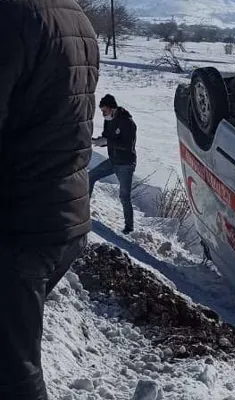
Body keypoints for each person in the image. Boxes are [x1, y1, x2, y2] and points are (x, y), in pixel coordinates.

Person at [0, 0, 99, 398]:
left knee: (12, 373)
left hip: (19, 225)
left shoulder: (12, 16)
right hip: (63, 216)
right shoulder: (77, 17)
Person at [89, 94, 138, 234]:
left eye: (105, 110)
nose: (103, 114)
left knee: (124, 196)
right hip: (113, 161)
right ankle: (83, 208)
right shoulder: (108, 120)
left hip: (126, 164)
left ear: (112, 108)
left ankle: (129, 228)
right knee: (90, 176)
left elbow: (127, 145)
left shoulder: (127, 122)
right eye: (102, 111)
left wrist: (107, 142)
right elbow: (107, 137)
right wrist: (98, 140)